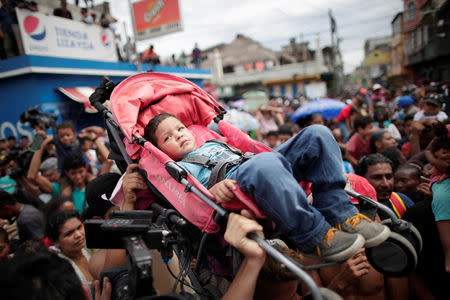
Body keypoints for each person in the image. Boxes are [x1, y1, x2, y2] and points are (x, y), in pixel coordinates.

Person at [143, 113, 390, 262]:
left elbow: (249, 146)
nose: (178, 135)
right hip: (241, 181)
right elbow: (194, 199)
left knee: (317, 134)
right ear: (161, 151)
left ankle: (341, 213)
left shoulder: (211, 139)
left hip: (262, 163)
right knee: (265, 161)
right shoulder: (181, 169)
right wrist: (214, 190)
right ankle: (313, 235)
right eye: (167, 138)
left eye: (180, 128)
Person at [355, 154, 414, 219]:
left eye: (389, 177)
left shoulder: (402, 201)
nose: (386, 184)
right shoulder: (349, 209)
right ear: (360, 179)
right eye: (377, 178)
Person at [46, 209, 94, 286]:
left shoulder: (90, 249)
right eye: (69, 233)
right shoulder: (60, 269)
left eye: (79, 227)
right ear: (55, 242)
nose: (78, 235)